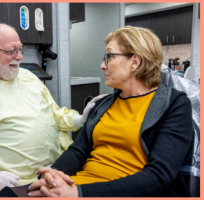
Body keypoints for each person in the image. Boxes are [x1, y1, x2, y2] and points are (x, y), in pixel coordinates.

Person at [0, 23, 102, 197]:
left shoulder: (28, 77)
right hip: (12, 188)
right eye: (11, 51)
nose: (20, 56)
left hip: (55, 175)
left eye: (20, 49)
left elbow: (53, 115)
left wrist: (79, 119)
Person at [28, 26, 194, 197]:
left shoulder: (175, 105)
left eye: (109, 57)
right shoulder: (104, 104)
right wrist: (53, 175)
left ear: (135, 62)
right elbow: (77, 152)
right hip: (79, 188)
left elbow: (159, 176)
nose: (102, 65)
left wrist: (79, 192)